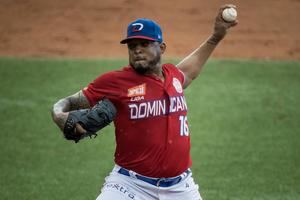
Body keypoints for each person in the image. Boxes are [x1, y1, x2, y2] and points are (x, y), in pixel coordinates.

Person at [51, 4, 237, 200]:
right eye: (132, 46)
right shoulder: (115, 81)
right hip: (130, 185)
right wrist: (60, 116)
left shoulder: (173, 76)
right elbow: (67, 103)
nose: (137, 50)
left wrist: (216, 37)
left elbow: (189, 70)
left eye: (144, 44)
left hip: (181, 187)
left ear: (162, 47)